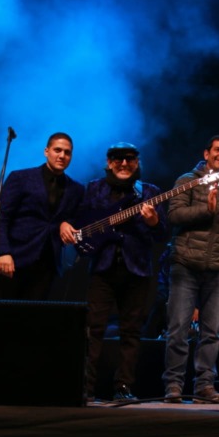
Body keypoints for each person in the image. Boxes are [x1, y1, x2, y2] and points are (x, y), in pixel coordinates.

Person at [75, 142, 168, 403]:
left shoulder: (149, 192)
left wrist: (154, 222)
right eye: (118, 159)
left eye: (130, 159)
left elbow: (163, 234)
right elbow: (79, 219)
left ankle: (124, 387)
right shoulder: (94, 188)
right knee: (93, 330)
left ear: (137, 163)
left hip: (136, 270)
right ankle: (85, 387)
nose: (124, 164)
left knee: (131, 332)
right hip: (102, 268)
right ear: (108, 162)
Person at [162, 134, 219, 403]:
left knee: (211, 332)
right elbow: (174, 216)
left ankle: (204, 386)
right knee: (178, 329)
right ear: (207, 153)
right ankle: (173, 385)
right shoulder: (187, 180)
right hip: (186, 265)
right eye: (218, 150)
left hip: (218, 268)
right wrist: (206, 210)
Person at [0, 132, 84, 300]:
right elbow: (2, 218)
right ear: (46, 151)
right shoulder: (21, 178)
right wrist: (3, 252)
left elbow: (76, 218)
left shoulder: (76, 189)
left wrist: (65, 223)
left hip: (46, 264)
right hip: (13, 257)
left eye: (67, 152)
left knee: (34, 314)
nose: (62, 155)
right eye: (57, 150)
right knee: (0, 311)